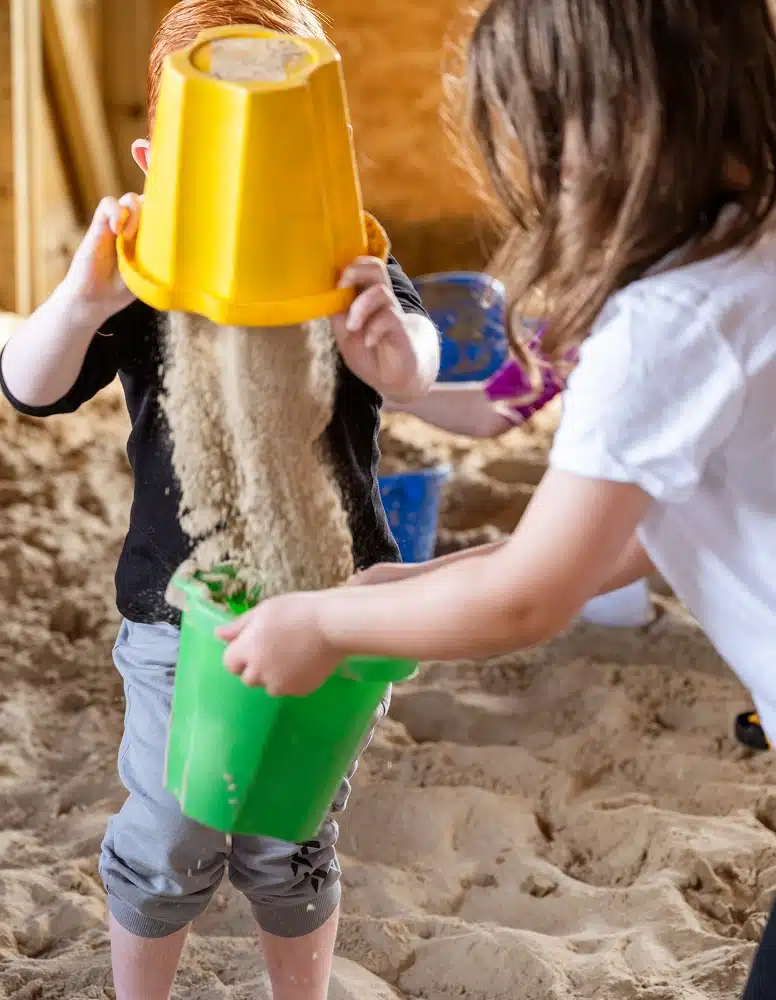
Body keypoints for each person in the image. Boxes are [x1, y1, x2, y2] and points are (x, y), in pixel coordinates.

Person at [0, 3, 439, 997]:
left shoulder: (348, 263)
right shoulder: (145, 272)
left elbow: (424, 365)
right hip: (177, 610)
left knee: (291, 834)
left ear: (323, 155)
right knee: (170, 832)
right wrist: (80, 302)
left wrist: (396, 351)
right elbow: (27, 385)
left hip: (333, 598)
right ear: (159, 162)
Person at [218, 0, 776, 778]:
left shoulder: (669, 323)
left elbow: (526, 601)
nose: (542, 173)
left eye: (537, 133)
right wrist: (411, 583)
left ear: (610, 123)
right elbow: (644, 530)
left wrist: (324, 623)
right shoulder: (748, 251)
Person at [386, 332, 655, 628]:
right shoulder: (584, 318)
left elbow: (620, 545)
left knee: (612, 606)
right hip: (625, 530)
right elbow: (491, 409)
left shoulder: (631, 326)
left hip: (640, 531)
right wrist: (381, 393)